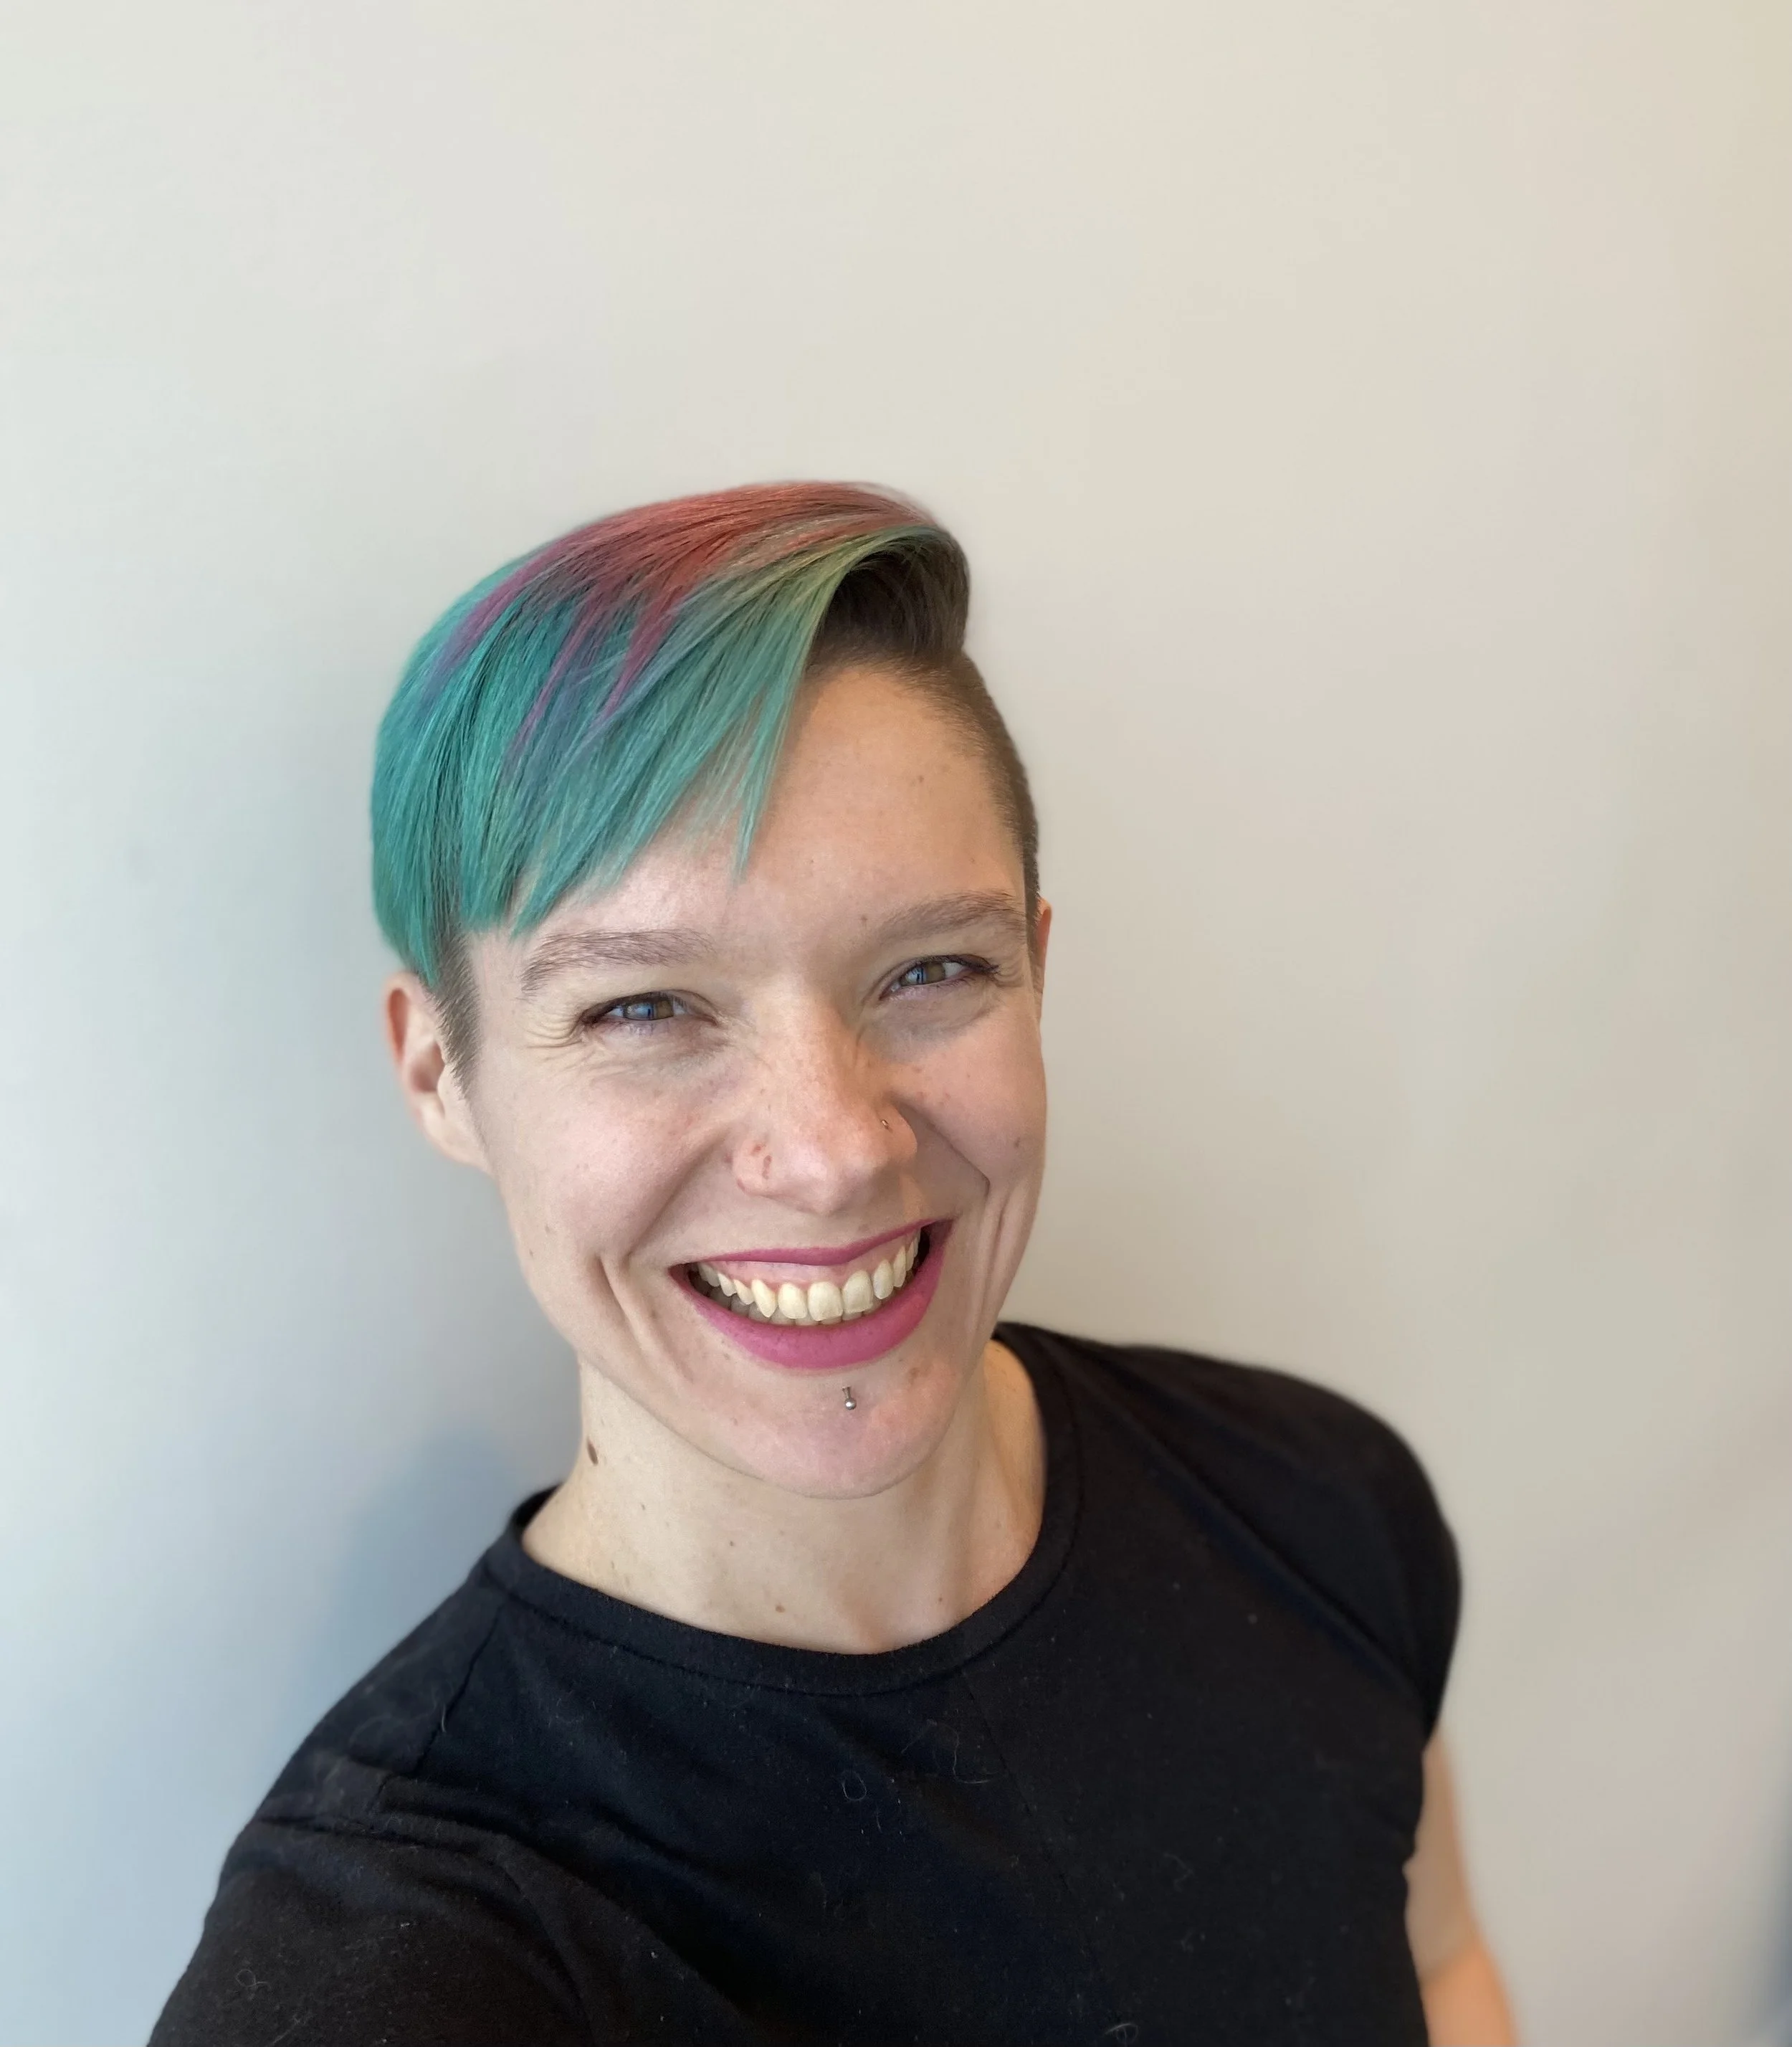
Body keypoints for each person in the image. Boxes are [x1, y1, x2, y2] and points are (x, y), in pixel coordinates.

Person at [152, 482, 1517, 2046]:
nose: (835, 1150)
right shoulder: (394, 1954)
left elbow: (1440, 1968)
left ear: (1036, 972)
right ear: (438, 1074)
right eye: (644, 1007)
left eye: (932, 968)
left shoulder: (1316, 1502)